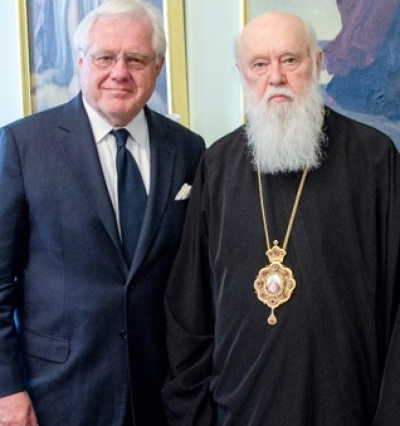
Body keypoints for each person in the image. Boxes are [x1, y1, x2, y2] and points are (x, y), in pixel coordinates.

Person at [162, 11, 400, 426]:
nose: (275, 77)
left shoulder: (375, 159)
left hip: (348, 408)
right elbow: (189, 305)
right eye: (259, 64)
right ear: (243, 74)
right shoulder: (217, 165)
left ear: (318, 63)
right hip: (239, 410)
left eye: (290, 60)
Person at [0, 0, 205, 425]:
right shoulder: (22, 145)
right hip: (58, 392)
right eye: (105, 57)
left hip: (162, 394)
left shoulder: (189, 149)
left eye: (136, 59)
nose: (120, 72)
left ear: (158, 66)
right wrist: (7, 391)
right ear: (79, 62)